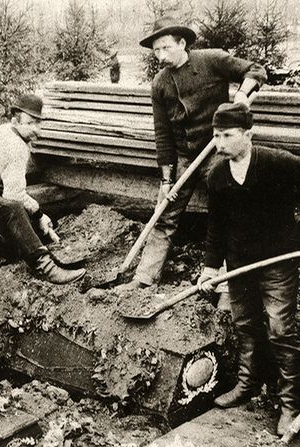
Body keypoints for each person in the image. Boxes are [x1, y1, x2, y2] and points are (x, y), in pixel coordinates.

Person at [197, 102, 300, 434]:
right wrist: (210, 268)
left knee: (281, 331)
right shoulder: (216, 175)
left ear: (247, 134)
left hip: (277, 263)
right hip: (239, 265)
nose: (219, 143)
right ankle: (247, 384)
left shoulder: (276, 163)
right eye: (215, 136)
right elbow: (216, 226)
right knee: (244, 325)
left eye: (227, 135)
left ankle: (291, 404)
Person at [117, 17, 268, 290]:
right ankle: (143, 279)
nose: (160, 56)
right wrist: (167, 181)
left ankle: (225, 282)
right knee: (165, 213)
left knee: (227, 208)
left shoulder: (212, 60)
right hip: (184, 156)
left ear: (182, 43)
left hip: (216, 149)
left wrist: (243, 95)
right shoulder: (160, 84)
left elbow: (256, 70)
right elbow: (162, 134)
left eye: (165, 48)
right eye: (156, 51)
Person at [0, 93, 84, 285]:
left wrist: (38, 214)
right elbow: (14, 196)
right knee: (13, 209)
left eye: (39, 123)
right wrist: (39, 215)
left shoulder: (8, 131)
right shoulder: (14, 146)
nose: (37, 130)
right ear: (15, 121)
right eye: (30, 123)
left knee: (4, 205)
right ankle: (46, 267)